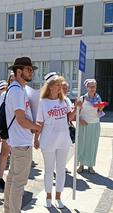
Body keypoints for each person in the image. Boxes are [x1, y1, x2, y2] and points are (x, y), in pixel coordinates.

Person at [34, 72, 80, 208]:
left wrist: (77, 108)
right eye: (57, 84)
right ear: (50, 86)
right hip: (48, 140)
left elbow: (69, 118)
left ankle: (58, 197)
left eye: (61, 84)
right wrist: (36, 138)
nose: (60, 87)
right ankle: (48, 197)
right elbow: (40, 123)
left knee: (61, 170)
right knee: (49, 170)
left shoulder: (64, 100)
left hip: (63, 139)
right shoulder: (42, 102)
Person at [4, 57, 41, 213]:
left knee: (12, 180)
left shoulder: (16, 89)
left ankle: (8, 210)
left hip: (18, 142)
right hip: (21, 143)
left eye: (32, 69)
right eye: (28, 69)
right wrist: (36, 126)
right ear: (19, 71)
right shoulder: (18, 92)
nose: (31, 72)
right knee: (18, 184)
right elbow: (21, 120)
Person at [77, 79, 103, 174]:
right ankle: (81, 165)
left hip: (95, 124)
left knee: (92, 146)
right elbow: (75, 113)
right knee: (82, 145)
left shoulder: (98, 98)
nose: (92, 88)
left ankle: (91, 165)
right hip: (84, 125)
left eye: (94, 86)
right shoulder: (82, 98)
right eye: (90, 86)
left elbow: (100, 113)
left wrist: (100, 109)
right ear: (87, 88)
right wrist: (80, 120)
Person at [0, 80, 11, 189]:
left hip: (19, 130)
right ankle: (0, 177)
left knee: (15, 155)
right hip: (8, 128)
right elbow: (0, 113)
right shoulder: (4, 95)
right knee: (4, 154)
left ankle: (12, 178)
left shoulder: (24, 92)